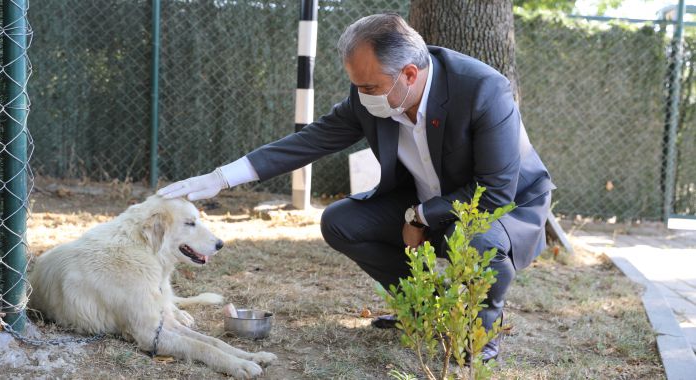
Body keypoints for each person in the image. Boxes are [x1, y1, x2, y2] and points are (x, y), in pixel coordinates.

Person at [158, 13, 555, 362]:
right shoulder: (371, 94)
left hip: (501, 208)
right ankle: (422, 310)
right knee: (341, 221)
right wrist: (220, 178)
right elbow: (310, 140)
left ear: (410, 75)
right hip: (422, 198)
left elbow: (494, 191)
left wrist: (420, 216)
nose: (362, 95)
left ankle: (478, 333)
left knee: (477, 239)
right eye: (357, 85)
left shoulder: (483, 89)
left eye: (369, 86)